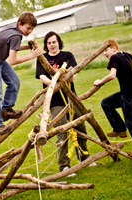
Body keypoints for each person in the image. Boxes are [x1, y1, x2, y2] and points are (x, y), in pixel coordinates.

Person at [36, 31, 96, 176]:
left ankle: (84, 157)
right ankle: (64, 166)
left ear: (59, 42)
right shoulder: (42, 59)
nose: (52, 45)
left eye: (54, 42)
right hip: (55, 101)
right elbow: (42, 76)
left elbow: (73, 73)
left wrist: (67, 77)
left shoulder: (67, 55)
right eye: (49, 43)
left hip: (71, 98)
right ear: (46, 45)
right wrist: (53, 84)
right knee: (61, 130)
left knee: (80, 126)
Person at [0, 12, 42, 135]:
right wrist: (32, 55)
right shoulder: (16, 35)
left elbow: (12, 46)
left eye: (32, 29)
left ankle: (6, 110)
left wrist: (28, 47)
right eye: (28, 28)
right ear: (20, 24)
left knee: (14, 81)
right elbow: (12, 61)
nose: (30, 31)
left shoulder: (15, 30)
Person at [93, 38, 132, 161]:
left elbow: (112, 75)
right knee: (106, 103)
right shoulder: (125, 55)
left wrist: (99, 82)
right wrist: (125, 65)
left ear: (114, 48)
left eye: (106, 50)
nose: (104, 53)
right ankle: (119, 129)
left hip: (129, 96)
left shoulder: (115, 58)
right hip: (129, 93)